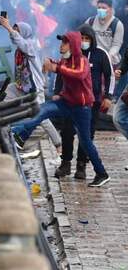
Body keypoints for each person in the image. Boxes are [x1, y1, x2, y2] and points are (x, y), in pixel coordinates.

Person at [11, 31, 109, 187]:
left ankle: (102, 173)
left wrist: (55, 68)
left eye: (64, 43)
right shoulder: (64, 61)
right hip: (66, 103)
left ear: (73, 45)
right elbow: (59, 71)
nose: (61, 46)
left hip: (82, 108)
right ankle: (20, 136)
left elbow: (78, 75)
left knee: (86, 142)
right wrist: (51, 70)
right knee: (41, 110)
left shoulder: (82, 61)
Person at [54, 26, 114, 179]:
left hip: (91, 102)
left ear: (92, 39)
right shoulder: (70, 55)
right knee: (67, 132)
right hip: (70, 100)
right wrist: (56, 92)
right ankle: (65, 163)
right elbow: (60, 74)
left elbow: (109, 76)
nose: (84, 42)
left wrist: (108, 96)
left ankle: (81, 166)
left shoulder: (100, 54)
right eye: (82, 38)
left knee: (86, 135)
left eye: (88, 39)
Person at [0, 17, 61, 151]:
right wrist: (8, 28)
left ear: (25, 33)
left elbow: (20, 42)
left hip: (34, 88)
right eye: (14, 29)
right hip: (20, 86)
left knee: (41, 117)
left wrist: (8, 27)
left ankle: (58, 143)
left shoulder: (30, 45)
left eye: (17, 30)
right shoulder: (19, 49)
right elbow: (16, 39)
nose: (14, 32)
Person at [85, 0, 123, 66]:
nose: (100, 10)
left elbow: (116, 45)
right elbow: (83, 37)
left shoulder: (117, 24)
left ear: (110, 9)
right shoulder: (90, 21)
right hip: (93, 59)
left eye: (104, 8)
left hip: (110, 61)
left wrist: (107, 56)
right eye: (99, 8)